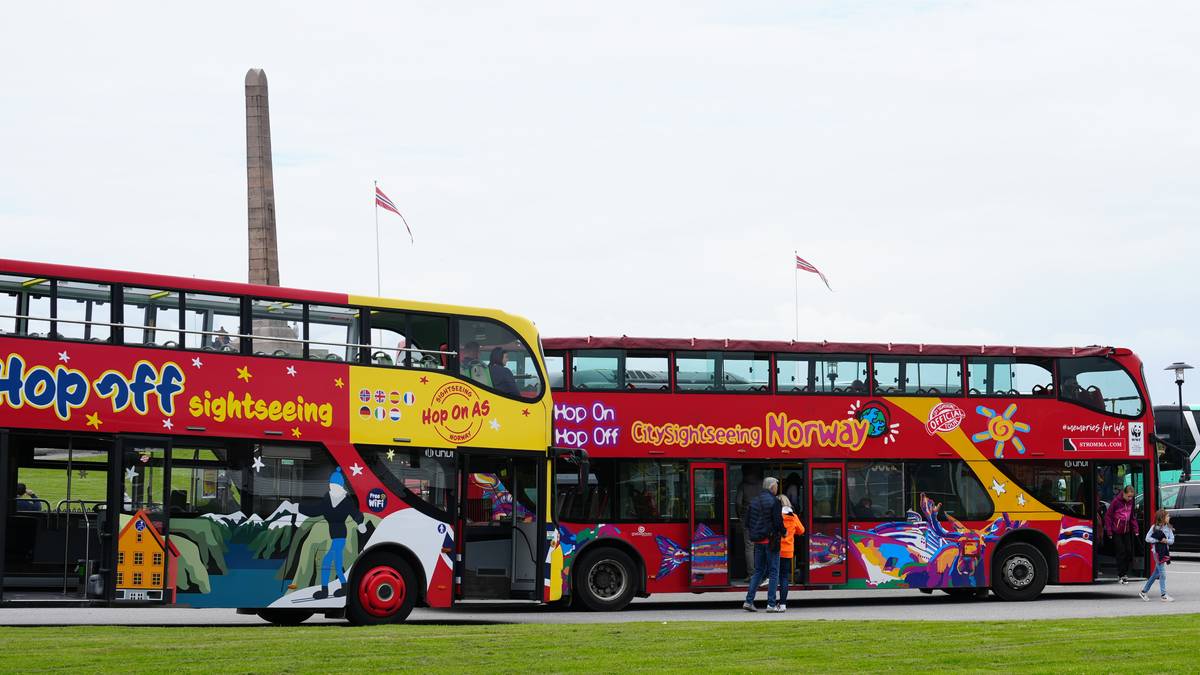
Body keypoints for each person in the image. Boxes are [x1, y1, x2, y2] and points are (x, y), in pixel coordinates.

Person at [298, 468, 368, 599]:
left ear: (340, 486)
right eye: (331, 485)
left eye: (335, 485)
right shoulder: (327, 500)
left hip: (340, 536)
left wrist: (360, 523)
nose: (332, 487)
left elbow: (355, 513)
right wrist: (298, 508)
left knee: (326, 561)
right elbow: (315, 510)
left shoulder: (346, 500)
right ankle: (344, 587)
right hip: (334, 535)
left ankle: (325, 590)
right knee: (337, 563)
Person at [742, 476, 785, 613]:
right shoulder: (774, 501)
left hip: (758, 542)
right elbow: (778, 522)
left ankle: (749, 601)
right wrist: (784, 532)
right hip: (771, 541)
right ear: (772, 486)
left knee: (758, 571)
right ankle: (771, 604)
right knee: (773, 572)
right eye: (776, 486)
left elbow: (747, 522)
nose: (777, 488)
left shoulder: (754, 501)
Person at [1104, 485, 1140, 584]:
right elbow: (1108, 516)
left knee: (1129, 551)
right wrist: (1109, 531)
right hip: (1116, 531)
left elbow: (1132, 517)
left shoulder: (1131, 502)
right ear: (1123, 494)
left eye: (1131, 497)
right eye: (1128, 496)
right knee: (1121, 552)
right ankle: (1121, 575)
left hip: (1126, 531)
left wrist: (1136, 529)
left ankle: (1124, 572)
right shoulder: (1116, 502)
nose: (1130, 499)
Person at [777, 495, 805, 612]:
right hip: (788, 550)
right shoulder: (793, 517)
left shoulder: (777, 516)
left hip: (776, 550)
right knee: (784, 577)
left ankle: (772, 602)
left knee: (774, 576)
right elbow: (801, 530)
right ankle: (783, 604)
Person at [1140, 508, 1175, 602]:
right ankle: (1163, 595)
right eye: (1167, 516)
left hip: (1165, 552)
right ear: (1162, 518)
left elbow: (1172, 540)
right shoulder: (1154, 528)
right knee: (1162, 574)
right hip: (1157, 553)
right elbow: (1147, 538)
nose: (1169, 517)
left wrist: (1166, 541)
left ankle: (1144, 591)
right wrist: (1158, 540)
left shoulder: (1168, 528)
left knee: (1156, 574)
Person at [735, 466, 763, 578]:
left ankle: (752, 573)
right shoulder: (762, 484)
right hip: (761, 518)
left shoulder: (743, 485)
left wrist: (739, 515)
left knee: (749, 547)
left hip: (747, 517)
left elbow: (738, 502)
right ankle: (761, 572)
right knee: (761, 546)